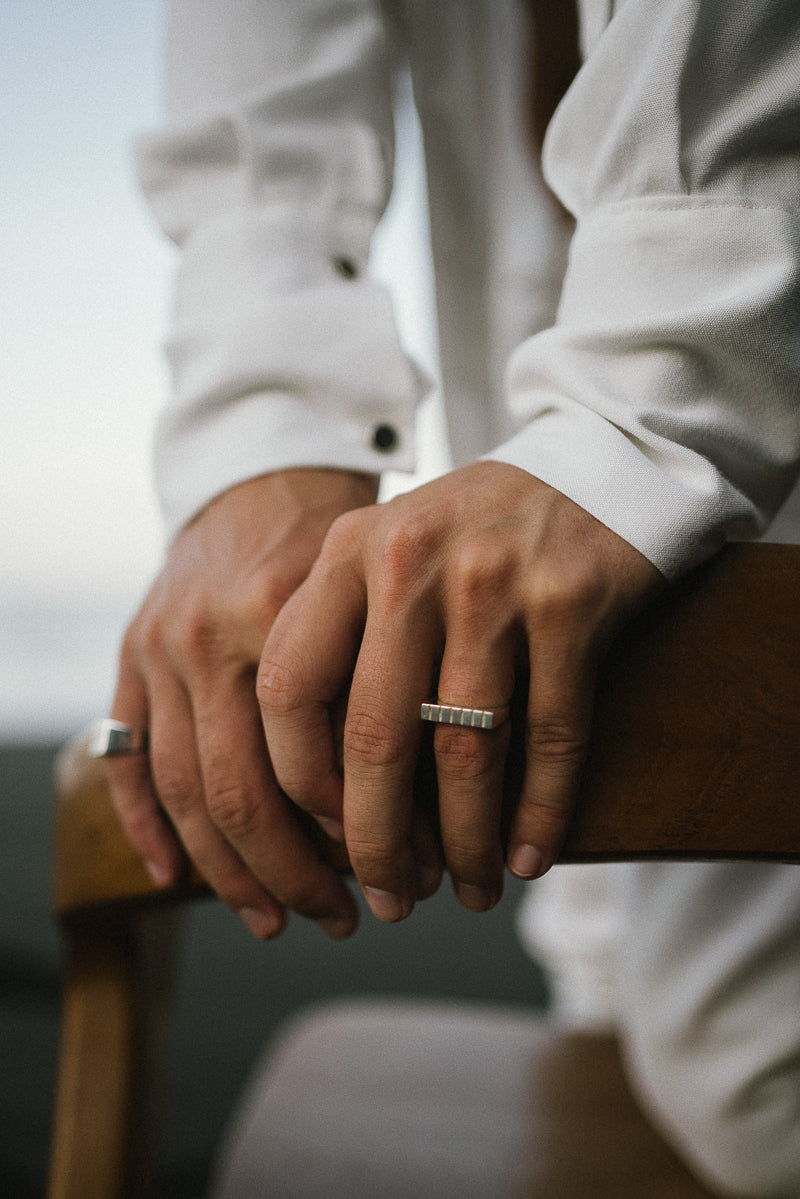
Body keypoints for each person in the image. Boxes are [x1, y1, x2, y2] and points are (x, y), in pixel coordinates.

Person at [104, 1, 800, 1192]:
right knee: (628, 1001)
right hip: (583, 878)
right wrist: (257, 443)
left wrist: (653, 383)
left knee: (740, 1076)